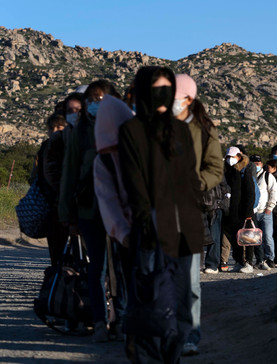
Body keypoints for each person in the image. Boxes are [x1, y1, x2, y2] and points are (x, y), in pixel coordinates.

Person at [118, 66, 204, 362]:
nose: (164, 96)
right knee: (152, 298)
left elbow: (190, 176)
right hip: (152, 228)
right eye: (157, 89)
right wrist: (146, 223)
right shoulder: (131, 131)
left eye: (169, 89)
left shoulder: (180, 129)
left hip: (185, 228)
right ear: (144, 92)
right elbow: (135, 182)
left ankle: (173, 355)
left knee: (181, 300)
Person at [59, 80, 120, 343]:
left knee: (119, 267)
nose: (96, 104)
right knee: (97, 267)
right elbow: (69, 175)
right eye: (92, 99)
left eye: (102, 98)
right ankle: (99, 320)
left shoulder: (122, 127)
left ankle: (120, 319)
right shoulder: (79, 134)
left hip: (119, 209)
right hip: (89, 210)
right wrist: (67, 214)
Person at [172, 74, 223, 356]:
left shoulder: (204, 129)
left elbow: (215, 168)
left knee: (190, 280)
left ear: (188, 99)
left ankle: (191, 335)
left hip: (188, 211)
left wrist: (195, 183)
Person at [92, 94, 134, 342]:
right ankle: (123, 321)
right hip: (123, 229)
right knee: (116, 272)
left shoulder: (138, 151)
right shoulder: (104, 160)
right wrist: (123, 231)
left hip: (141, 226)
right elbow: (107, 199)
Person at [37, 113, 68, 265]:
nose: (55, 131)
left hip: (73, 202)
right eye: (51, 128)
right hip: (52, 205)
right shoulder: (45, 147)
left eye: (59, 127)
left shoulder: (73, 145)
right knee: (56, 251)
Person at [221, 146, 257, 274]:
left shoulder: (244, 171)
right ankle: (238, 261)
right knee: (236, 238)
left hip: (244, 211)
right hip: (233, 211)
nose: (230, 159)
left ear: (239, 157)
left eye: (232, 157)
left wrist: (248, 213)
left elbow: (250, 193)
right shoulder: (228, 172)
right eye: (228, 157)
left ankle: (248, 262)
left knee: (248, 237)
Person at [250, 154, 277, 269]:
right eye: (254, 163)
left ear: (262, 164)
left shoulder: (268, 176)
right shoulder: (248, 176)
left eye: (258, 163)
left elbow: (274, 192)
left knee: (267, 237)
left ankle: (270, 258)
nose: (256, 165)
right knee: (255, 238)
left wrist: (269, 208)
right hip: (254, 212)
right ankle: (259, 259)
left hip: (265, 211)